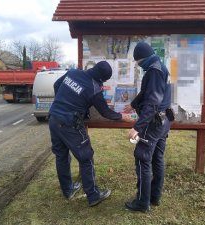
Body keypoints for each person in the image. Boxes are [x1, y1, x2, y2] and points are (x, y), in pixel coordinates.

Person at [48, 61, 131, 207]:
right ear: (101, 79)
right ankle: (93, 195)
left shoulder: (73, 72)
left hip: (53, 117)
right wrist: (121, 116)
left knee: (61, 156)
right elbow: (105, 112)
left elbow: (56, 85)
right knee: (86, 158)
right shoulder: (94, 88)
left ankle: (68, 190)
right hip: (70, 123)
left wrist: (63, 103)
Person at [124, 42, 173, 213]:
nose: (138, 65)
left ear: (141, 58)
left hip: (152, 123)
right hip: (164, 121)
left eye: (137, 62)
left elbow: (152, 103)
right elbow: (147, 92)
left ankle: (142, 202)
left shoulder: (153, 71)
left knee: (142, 159)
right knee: (157, 159)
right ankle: (154, 196)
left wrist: (137, 127)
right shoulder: (159, 66)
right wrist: (133, 104)